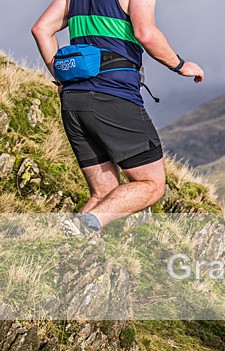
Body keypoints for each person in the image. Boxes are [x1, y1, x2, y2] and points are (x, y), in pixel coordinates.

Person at [31, 0, 205, 235]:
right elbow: (146, 33)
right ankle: (88, 223)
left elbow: (41, 29)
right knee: (152, 185)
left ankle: (69, 245)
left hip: (74, 101)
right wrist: (181, 65)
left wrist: (64, 79)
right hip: (112, 97)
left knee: (104, 193)